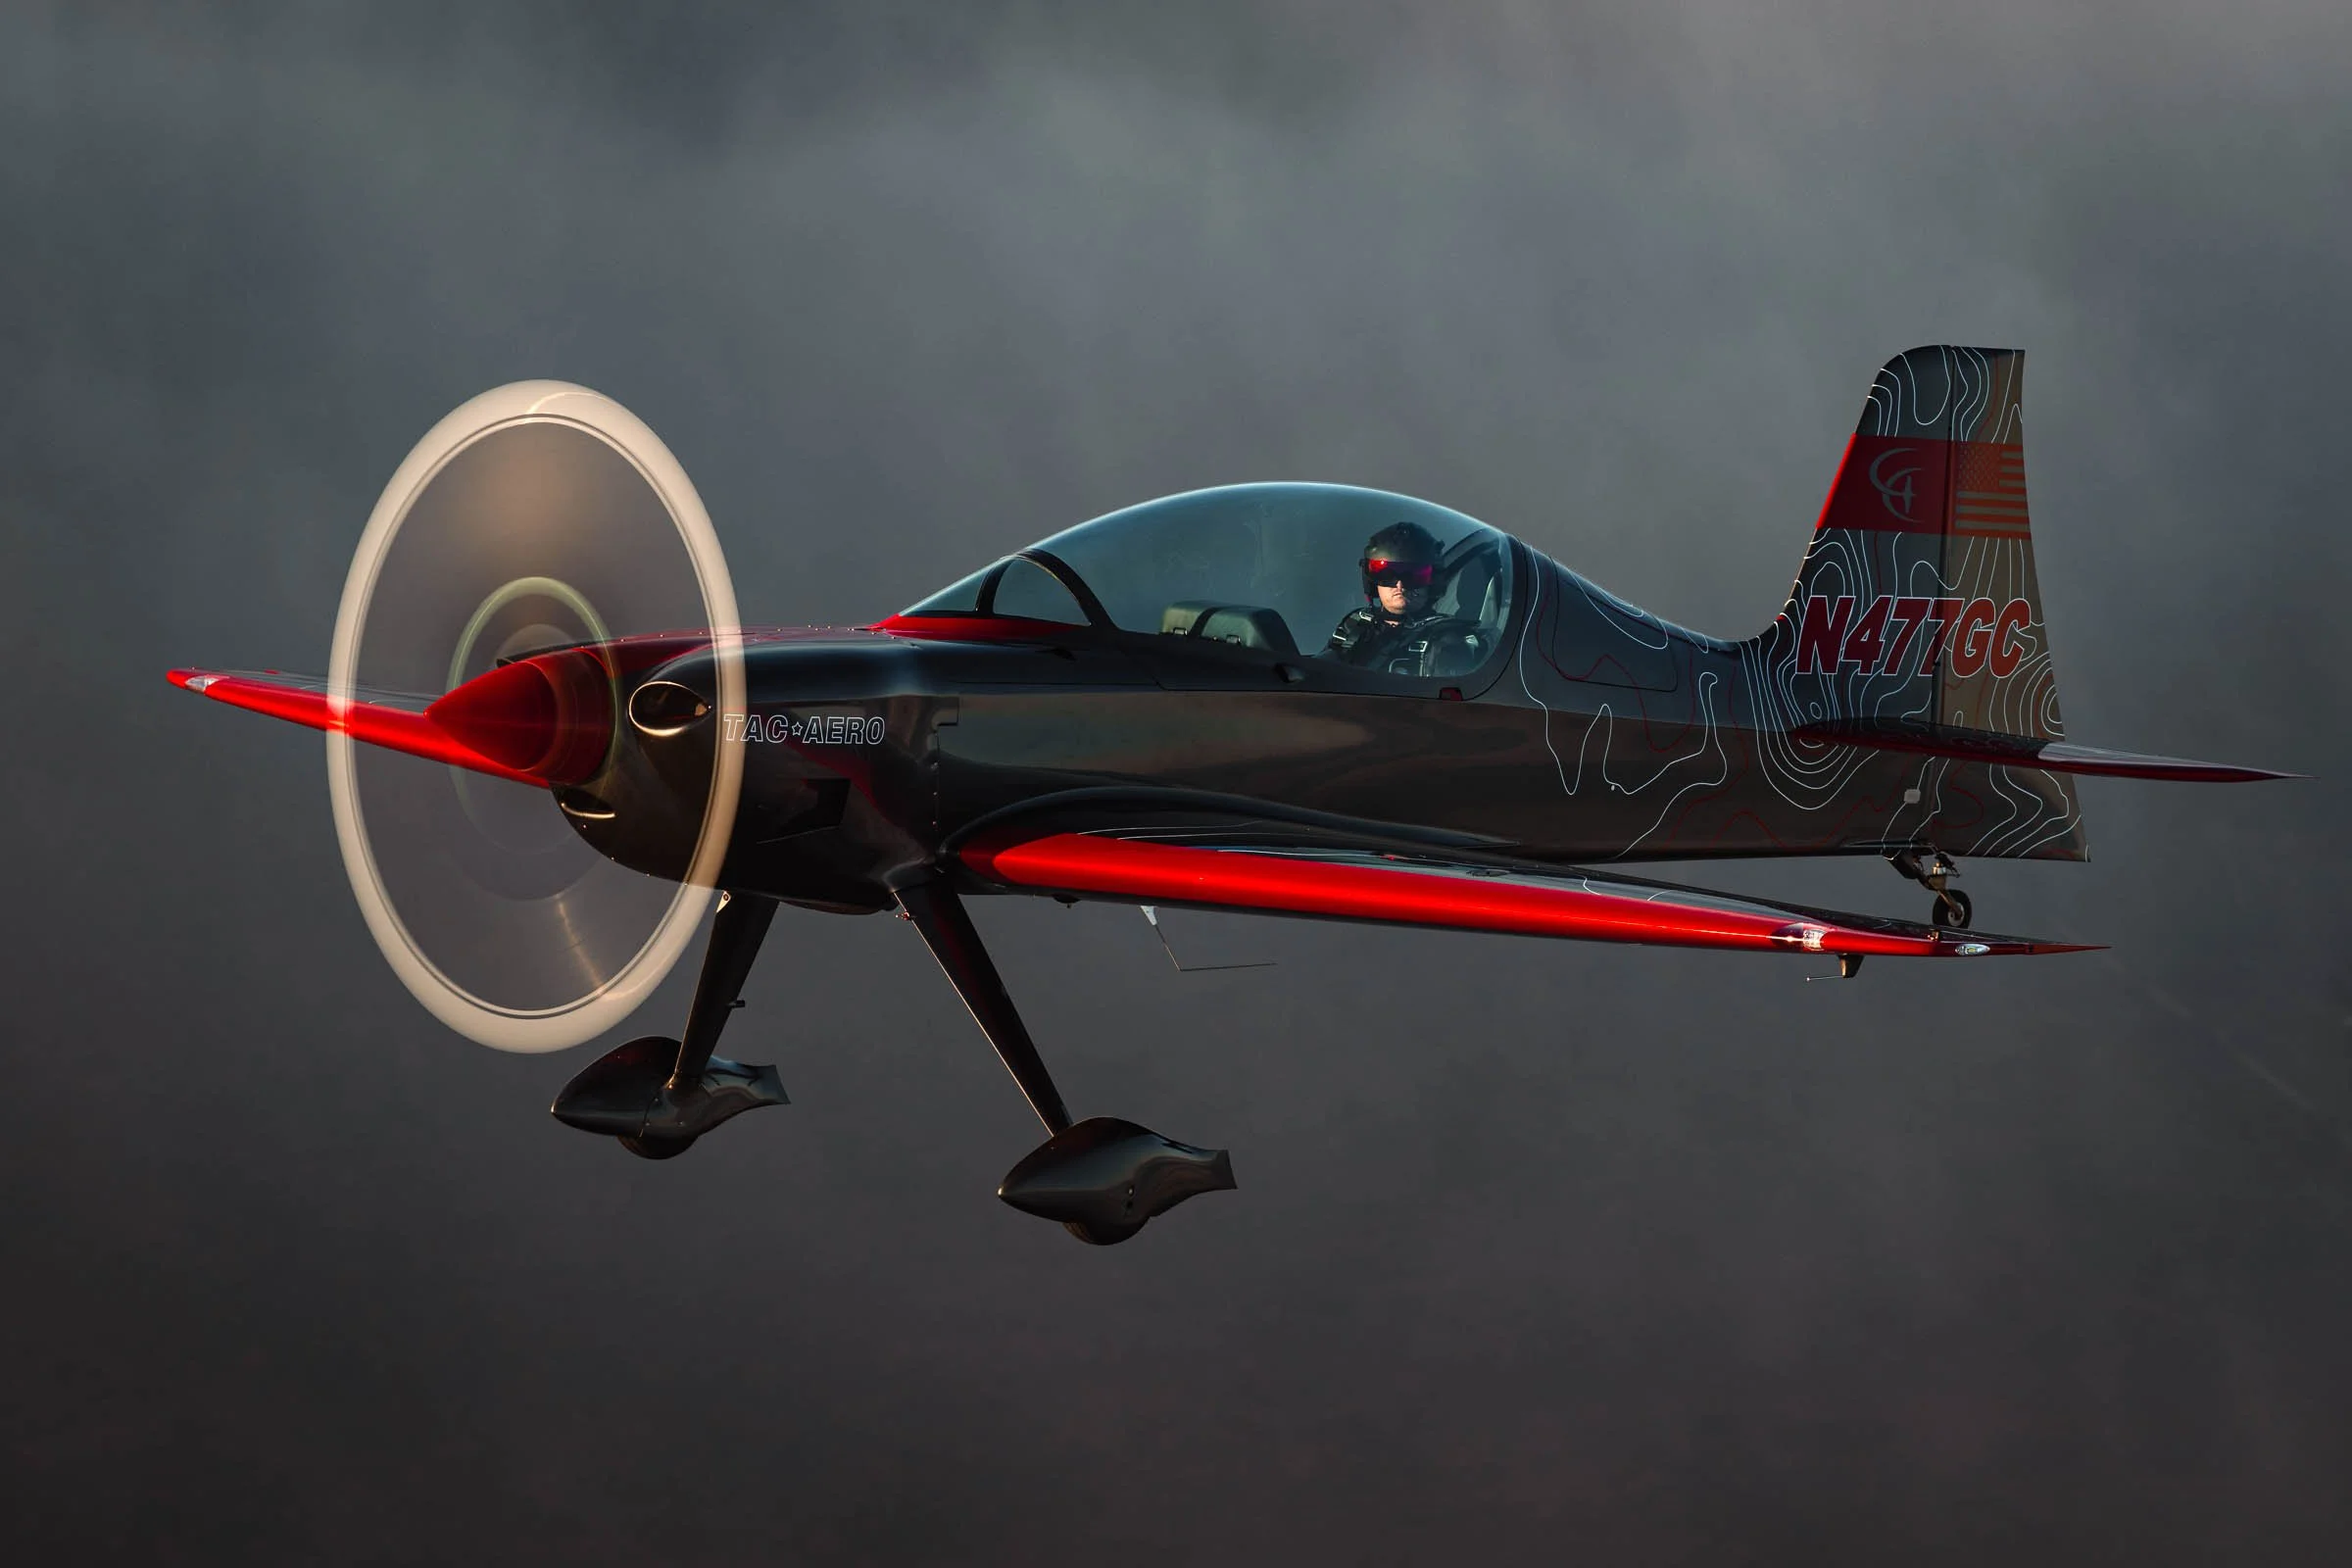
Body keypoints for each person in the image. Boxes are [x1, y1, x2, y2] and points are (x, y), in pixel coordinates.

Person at [1324, 521, 1489, 676]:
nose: (1400, 585)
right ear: (1371, 580)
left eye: (1414, 575)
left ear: (1433, 580)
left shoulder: (1449, 640)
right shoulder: (1356, 624)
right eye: (1386, 573)